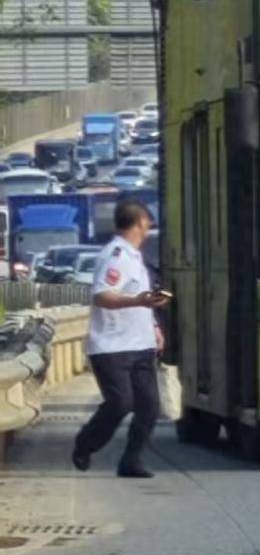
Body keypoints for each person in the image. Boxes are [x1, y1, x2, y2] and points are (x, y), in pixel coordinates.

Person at [71, 200, 171, 478]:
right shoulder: (115, 255)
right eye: (147, 222)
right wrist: (137, 300)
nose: (149, 227)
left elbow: (141, 297)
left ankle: (131, 460)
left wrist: (154, 326)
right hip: (112, 346)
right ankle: (85, 444)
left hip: (140, 344)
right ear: (140, 223)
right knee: (120, 403)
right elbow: (102, 295)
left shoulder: (136, 256)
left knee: (150, 406)